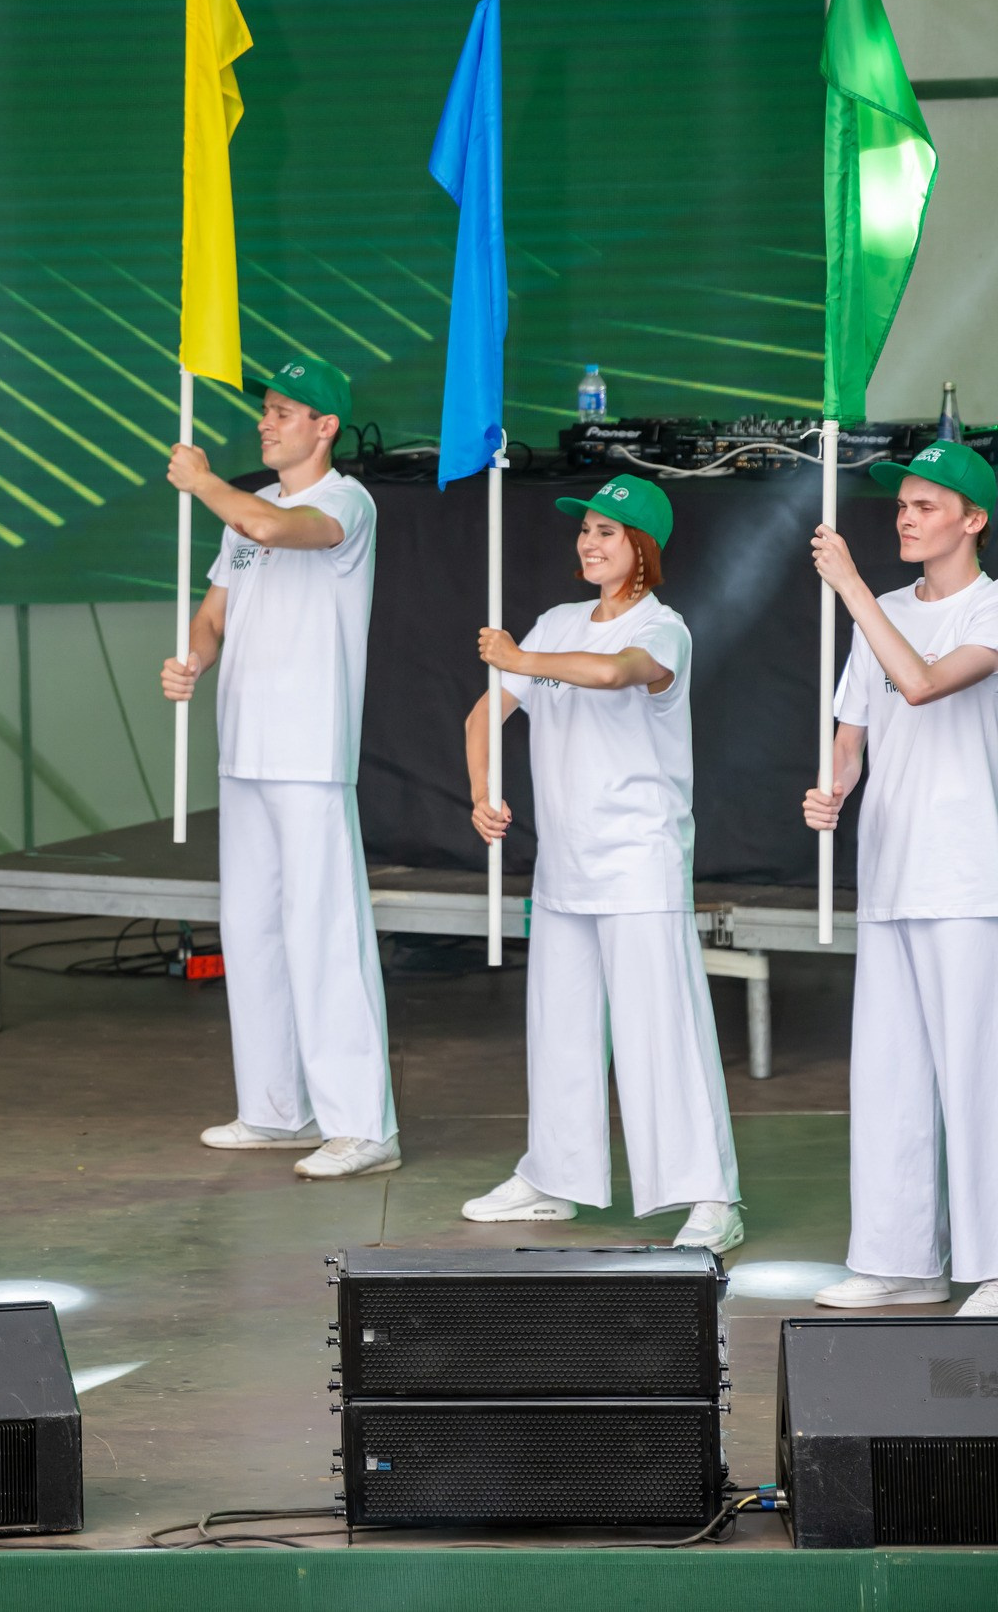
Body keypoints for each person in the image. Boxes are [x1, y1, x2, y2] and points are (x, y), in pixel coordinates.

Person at [458, 476, 743, 1251]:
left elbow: (618, 673)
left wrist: (525, 656)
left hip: (640, 862)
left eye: (607, 533)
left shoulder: (664, 628)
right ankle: (553, 1175)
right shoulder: (554, 622)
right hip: (564, 865)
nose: (588, 542)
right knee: (561, 1027)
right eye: (584, 529)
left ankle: (710, 1196)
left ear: (642, 548)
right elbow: (486, 711)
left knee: (661, 1029)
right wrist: (484, 789)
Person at [161, 357, 397, 1179]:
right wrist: (191, 657)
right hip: (244, 746)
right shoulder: (245, 515)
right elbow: (215, 611)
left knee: (324, 930)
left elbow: (271, 528)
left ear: (324, 427)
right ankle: (275, 1107)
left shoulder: (343, 502)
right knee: (253, 931)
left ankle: (364, 1124)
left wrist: (203, 481)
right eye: (265, 409)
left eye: (285, 411)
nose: (267, 422)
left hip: (309, 747)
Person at [803, 439, 998, 1317]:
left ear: (973, 520)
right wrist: (835, 786)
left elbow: (918, 684)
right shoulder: (879, 607)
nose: (906, 518)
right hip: (887, 871)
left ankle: (994, 1266)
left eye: (926, 506)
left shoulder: (991, 612)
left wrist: (846, 586)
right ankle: (899, 1257)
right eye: (902, 505)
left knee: (976, 1077)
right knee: (888, 1074)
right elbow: (857, 727)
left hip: (967, 877)